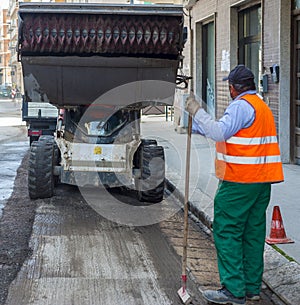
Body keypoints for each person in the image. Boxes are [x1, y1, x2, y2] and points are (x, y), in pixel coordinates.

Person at [185, 64, 284, 305]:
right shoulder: (261, 106)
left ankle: (233, 290)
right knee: (252, 233)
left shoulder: (240, 106)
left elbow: (219, 132)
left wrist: (197, 112)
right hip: (261, 182)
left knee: (227, 231)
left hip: (239, 181)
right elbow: (233, 134)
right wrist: (196, 126)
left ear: (232, 88)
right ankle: (251, 288)